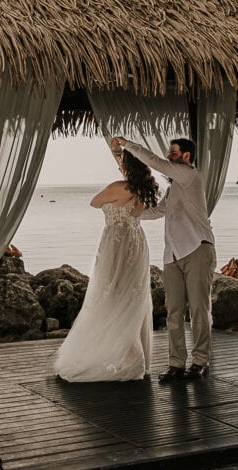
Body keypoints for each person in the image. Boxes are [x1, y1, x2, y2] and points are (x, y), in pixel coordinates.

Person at [111, 135, 216, 382]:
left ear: (186, 156)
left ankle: (200, 361)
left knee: (200, 309)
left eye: (173, 152)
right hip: (172, 255)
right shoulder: (173, 189)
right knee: (174, 311)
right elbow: (158, 211)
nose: (169, 156)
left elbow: (155, 162)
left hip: (197, 248)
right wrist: (127, 214)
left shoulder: (190, 175)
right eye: (169, 153)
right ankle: (176, 364)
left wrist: (128, 144)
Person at [54, 147, 159, 382]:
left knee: (109, 294)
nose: (118, 166)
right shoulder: (145, 188)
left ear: (127, 167)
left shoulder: (117, 187)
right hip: (136, 243)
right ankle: (131, 355)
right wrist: (120, 153)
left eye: (121, 163)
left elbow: (94, 202)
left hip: (116, 244)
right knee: (131, 298)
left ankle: (115, 355)